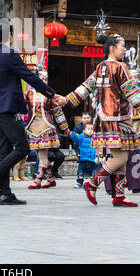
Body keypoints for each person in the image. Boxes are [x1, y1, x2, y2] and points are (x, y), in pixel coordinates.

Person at [0, 18, 61, 205]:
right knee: (23, 148)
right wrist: (51, 93)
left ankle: (5, 193)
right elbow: (29, 76)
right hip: (8, 109)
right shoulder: (10, 54)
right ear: (11, 36)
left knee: (5, 151)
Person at [58, 33, 140, 207]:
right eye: (122, 45)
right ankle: (93, 183)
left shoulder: (100, 66)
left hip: (103, 117)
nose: (124, 49)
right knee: (121, 157)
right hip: (118, 118)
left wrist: (66, 99)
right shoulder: (120, 67)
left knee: (120, 156)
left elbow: (85, 87)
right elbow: (131, 92)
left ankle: (118, 195)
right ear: (112, 48)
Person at [25, 66, 68, 190]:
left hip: (45, 127)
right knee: (39, 155)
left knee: (43, 156)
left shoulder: (50, 94)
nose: (44, 82)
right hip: (32, 127)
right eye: (41, 79)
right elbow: (21, 107)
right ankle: (50, 179)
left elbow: (57, 111)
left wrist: (65, 128)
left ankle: (38, 180)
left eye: (46, 80)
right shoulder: (28, 94)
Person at [66, 123, 98, 188]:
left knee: (94, 173)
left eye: (92, 129)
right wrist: (71, 134)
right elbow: (76, 138)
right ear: (84, 130)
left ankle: (93, 183)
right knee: (80, 172)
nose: (90, 131)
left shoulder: (95, 138)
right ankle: (79, 182)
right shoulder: (81, 137)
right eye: (88, 129)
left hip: (92, 159)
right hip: (83, 159)